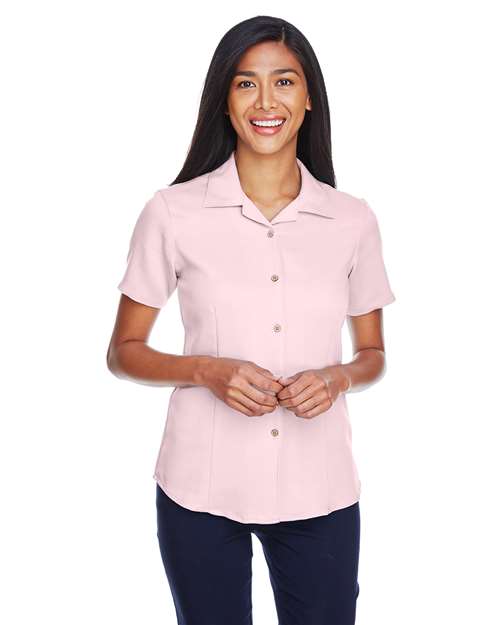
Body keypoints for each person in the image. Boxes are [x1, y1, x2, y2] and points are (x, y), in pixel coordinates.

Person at [107, 15, 396, 625]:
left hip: (320, 487)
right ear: (224, 99)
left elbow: (373, 355)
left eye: (284, 82)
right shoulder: (172, 212)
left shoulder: (352, 220)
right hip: (200, 486)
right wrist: (206, 371)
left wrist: (338, 378)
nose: (266, 102)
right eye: (246, 84)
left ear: (309, 97)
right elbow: (124, 350)